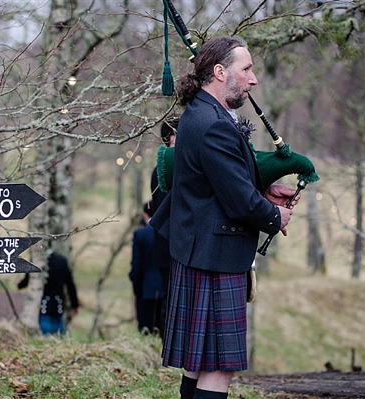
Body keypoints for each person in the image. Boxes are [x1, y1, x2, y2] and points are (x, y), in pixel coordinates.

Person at [150, 36, 298, 399]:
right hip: (213, 256)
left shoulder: (201, 113)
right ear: (220, 72)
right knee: (218, 367)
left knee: (197, 363)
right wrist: (274, 216)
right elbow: (239, 204)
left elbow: (218, 183)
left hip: (201, 249)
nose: (254, 79)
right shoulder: (213, 123)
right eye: (246, 69)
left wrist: (264, 191)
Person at [150, 118, 178, 341]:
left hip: (166, 242)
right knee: (171, 297)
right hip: (169, 242)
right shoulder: (166, 169)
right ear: (171, 137)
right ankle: (167, 343)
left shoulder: (160, 168)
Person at [18, 247, 79, 335]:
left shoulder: (38, 261)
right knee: (58, 334)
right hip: (58, 305)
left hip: (43, 305)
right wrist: (75, 305)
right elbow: (70, 285)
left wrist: (19, 285)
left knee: (44, 333)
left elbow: (28, 279)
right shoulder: (62, 261)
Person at [129, 203, 163, 336]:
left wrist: (137, 288)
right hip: (166, 289)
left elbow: (137, 265)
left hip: (146, 290)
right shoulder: (168, 231)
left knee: (146, 331)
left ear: (144, 214)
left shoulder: (140, 234)